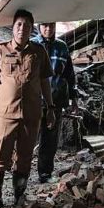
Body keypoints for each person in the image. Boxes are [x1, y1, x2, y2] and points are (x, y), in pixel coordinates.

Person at [0, 9, 55, 208]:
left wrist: (50, 106)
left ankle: (19, 197)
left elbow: (44, 81)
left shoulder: (39, 52)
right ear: (13, 27)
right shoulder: (0, 49)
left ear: (31, 29)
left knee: (25, 156)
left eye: (27, 26)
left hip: (31, 114)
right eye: (19, 25)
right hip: (5, 114)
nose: (22, 29)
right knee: (0, 156)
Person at [32, 22, 77, 183]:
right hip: (34, 100)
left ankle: (45, 173)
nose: (48, 29)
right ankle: (20, 173)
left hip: (56, 100)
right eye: (44, 26)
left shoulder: (62, 46)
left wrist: (74, 98)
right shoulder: (32, 45)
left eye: (51, 26)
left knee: (50, 139)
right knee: (28, 137)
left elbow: (70, 74)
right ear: (38, 26)